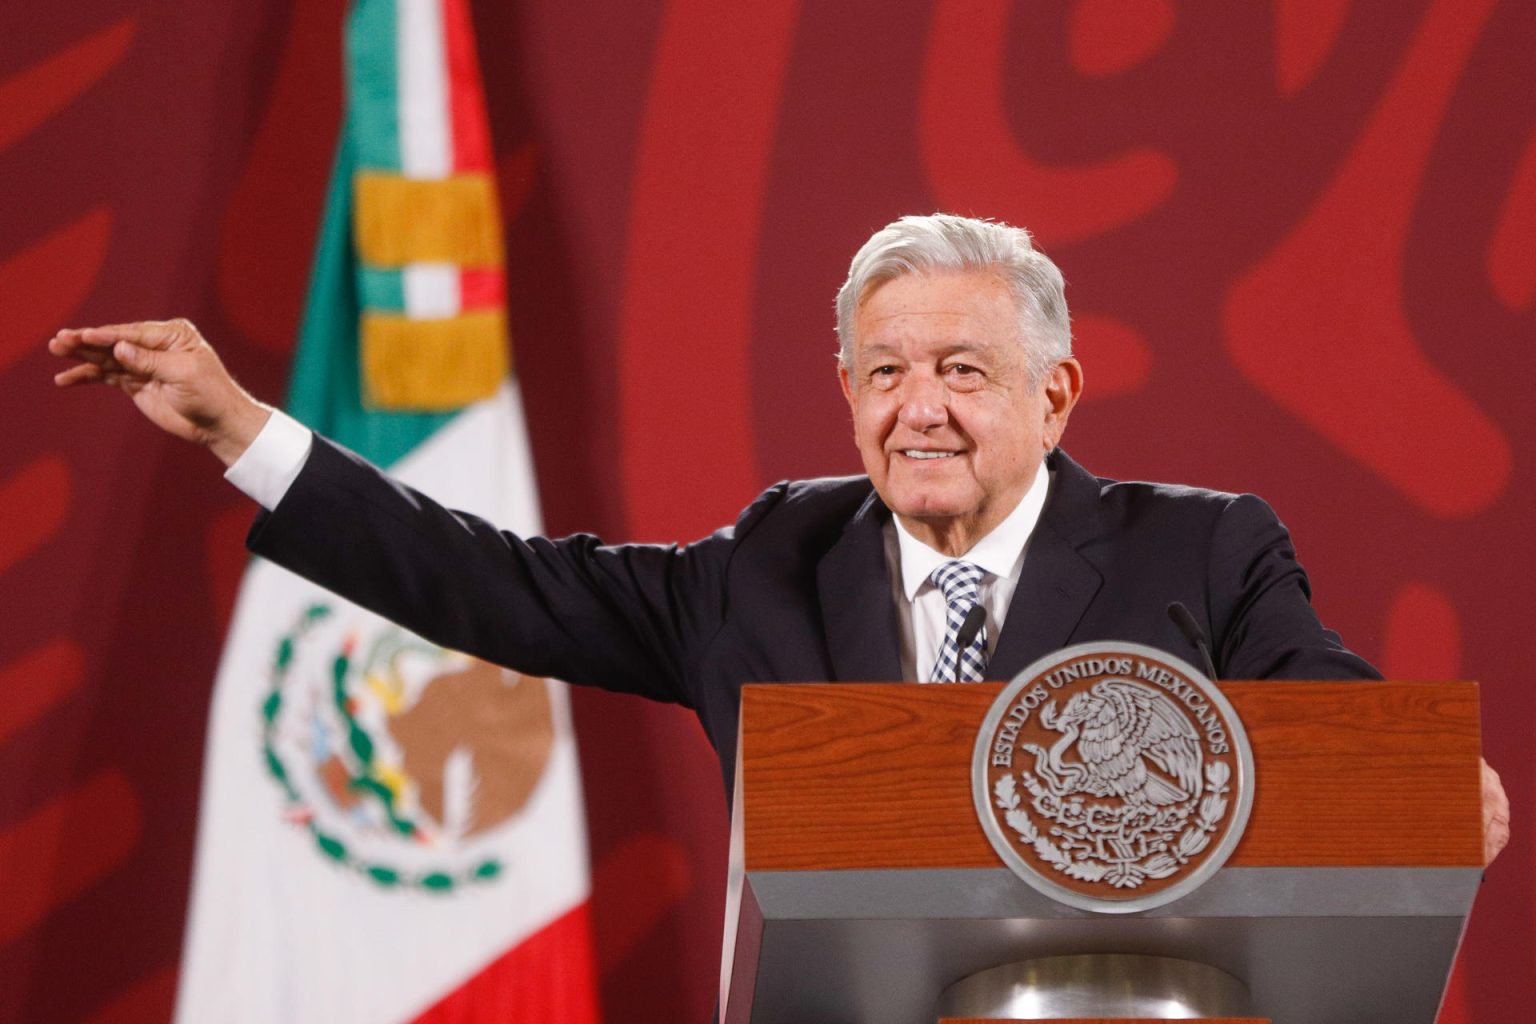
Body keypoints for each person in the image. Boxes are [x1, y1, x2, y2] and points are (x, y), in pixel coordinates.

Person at [49, 213, 1510, 865]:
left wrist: (1422, 785)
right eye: (883, 372)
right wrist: (245, 428)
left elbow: (1316, 706)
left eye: (961, 369)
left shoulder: (1198, 553)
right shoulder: (767, 565)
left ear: (1056, 394)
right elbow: (490, 583)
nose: (917, 409)